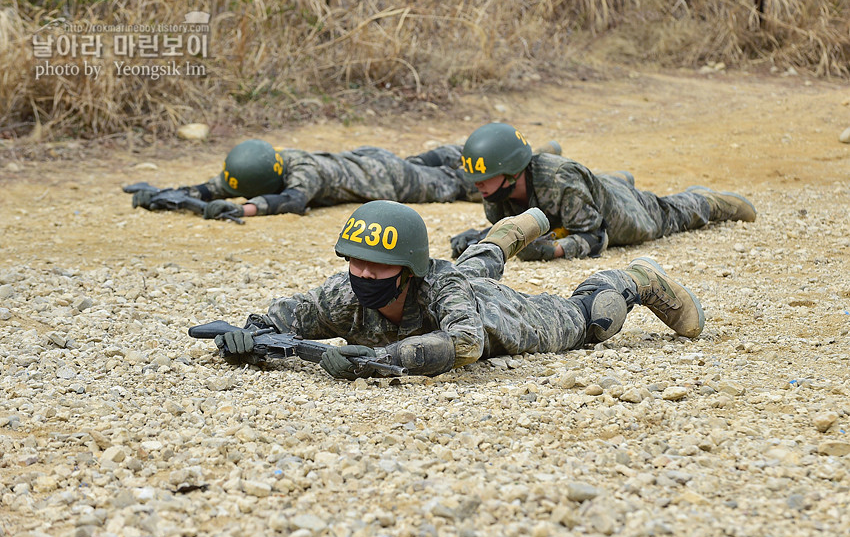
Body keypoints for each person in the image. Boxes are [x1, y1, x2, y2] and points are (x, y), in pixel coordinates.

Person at [213, 200, 705, 380]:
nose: (361, 275)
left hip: (494, 315)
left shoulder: (438, 283)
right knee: (475, 265)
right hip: (453, 282)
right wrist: (251, 335)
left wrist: (386, 361)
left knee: (591, 319)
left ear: (408, 270)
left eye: (377, 267)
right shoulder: (349, 289)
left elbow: (466, 344)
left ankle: (636, 278)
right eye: (354, 263)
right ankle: (513, 231)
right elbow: (294, 313)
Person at [449, 122, 757, 261]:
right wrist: (482, 237)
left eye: (485, 178)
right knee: (592, 191)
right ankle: (610, 181)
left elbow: (596, 237)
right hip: (581, 201)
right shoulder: (495, 194)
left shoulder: (560, 180)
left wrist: (555, 251)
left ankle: (709, 201)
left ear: (512, 172)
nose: (477, 185)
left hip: (617, 214)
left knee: (663, 216)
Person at [129, 139, 482, 219]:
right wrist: (162, 194)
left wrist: (244, 211)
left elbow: (294, 201)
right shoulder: (265, 165)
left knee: (455, 184)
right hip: (367, 158)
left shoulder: (304, 173)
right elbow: (215, 187)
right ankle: (453, 150)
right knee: (432, 165)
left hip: (388, 177)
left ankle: (496, 159)